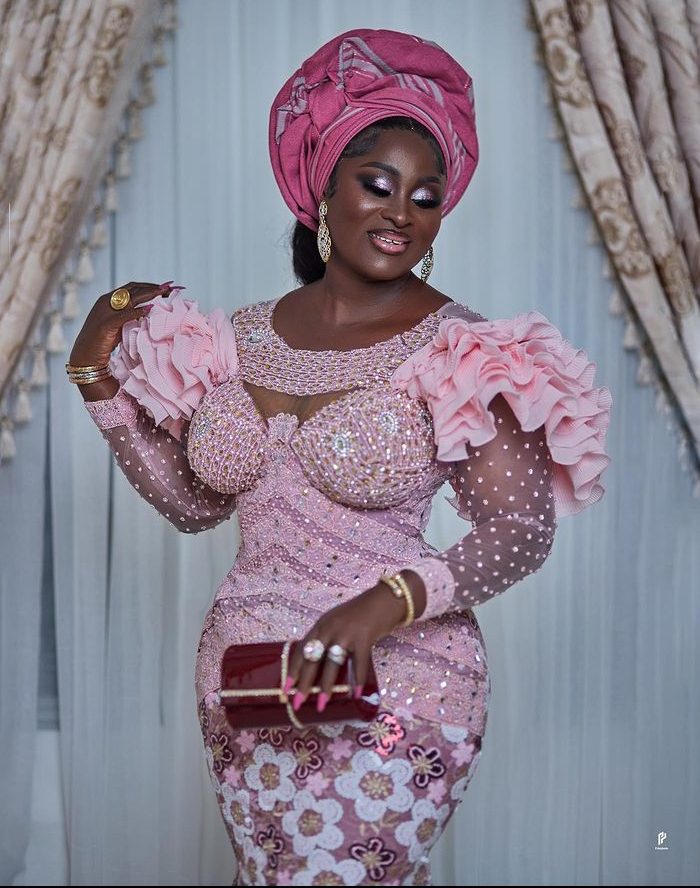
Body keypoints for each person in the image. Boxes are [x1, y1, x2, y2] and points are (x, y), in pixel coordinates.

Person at [67, 28, 612, 887]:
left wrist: (384, 605)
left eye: (425, 197)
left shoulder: (463, 347)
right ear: (323, 189)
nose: (402, 213)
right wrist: (97, 380)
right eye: (378, 185)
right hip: (247, 680)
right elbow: (196, 504)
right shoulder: (239, 337)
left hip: (402, 684)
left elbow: (521, 528)